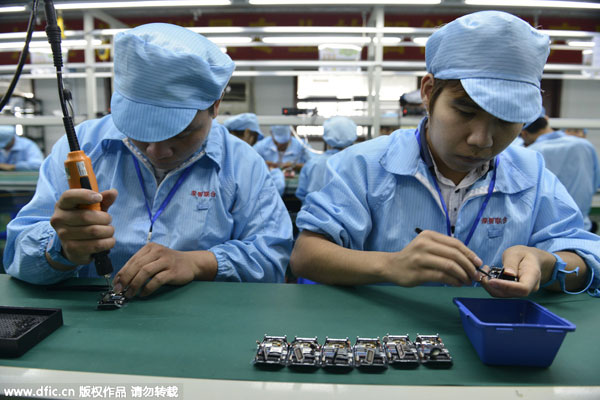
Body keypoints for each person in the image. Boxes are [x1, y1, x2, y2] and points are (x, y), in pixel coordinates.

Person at [290, 11, 600, 298]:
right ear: (428, 92)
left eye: (506, 120)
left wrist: (548, 264)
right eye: (465, 111)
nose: (481, 139)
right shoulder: (364, 166)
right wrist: (390, 265)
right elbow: (306, 255)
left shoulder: (531, 174)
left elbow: (586, 258)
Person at [4, 23, 293, 296]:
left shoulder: (242, 165)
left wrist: (200, 263)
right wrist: (61, 250)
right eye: (140, 131)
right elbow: (16, 256)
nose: (157, 151)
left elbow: (272, 258)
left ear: (215, 106)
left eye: (181, 134)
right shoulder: (83, 148)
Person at [522, 111, 600, 232]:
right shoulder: (586, 146)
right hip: (582, 229)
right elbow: (595, 184)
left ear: (524, 133)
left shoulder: (530, 154)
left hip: (545, 233)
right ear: (547, 119)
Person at [296, 116, 357, 202]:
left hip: (315, 214)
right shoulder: (358, 163)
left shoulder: (313, 163)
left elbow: (302, 194)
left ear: (325, 138)